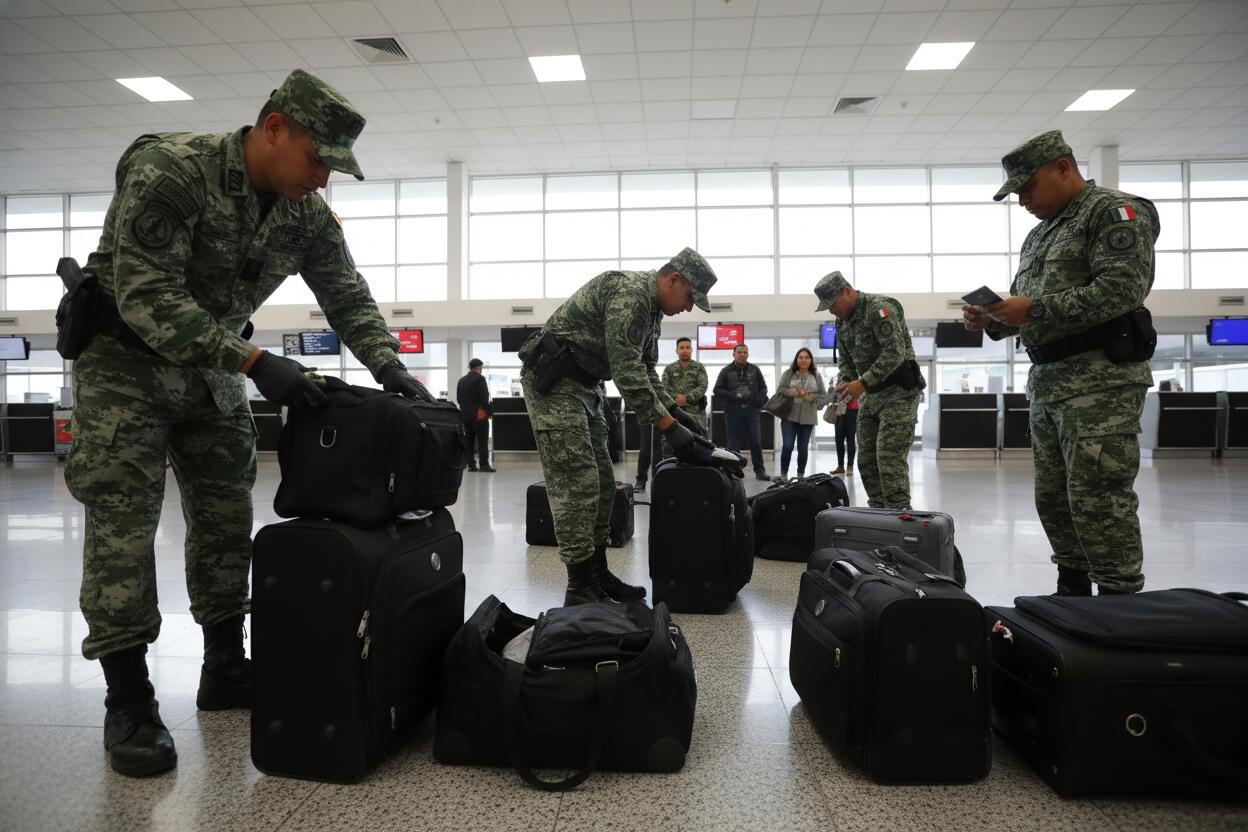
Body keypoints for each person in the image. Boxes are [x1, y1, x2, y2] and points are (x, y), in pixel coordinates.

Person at [64, 69, 430, 778]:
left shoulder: (305, 215)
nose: (322, 179)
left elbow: (347, 294)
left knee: (228, 519)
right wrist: (258, 361)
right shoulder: (173, 169)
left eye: (333, 167)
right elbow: (145, 295)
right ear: (272, 128)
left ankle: (226, 666)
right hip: (124, 368)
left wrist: (390, 369)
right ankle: (129, 698)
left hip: (215, 374)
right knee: (122, 528)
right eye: (316, 158)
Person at [964, 130, 1158, 597]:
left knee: (1099, 496)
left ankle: (1119, 600)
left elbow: (1122, 290)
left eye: (1028, 188)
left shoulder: (1114, 211)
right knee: (1053, 498)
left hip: (1100, 384)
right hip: (1049, 383)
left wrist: (1031, 310)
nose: (1023, 200)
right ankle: (1071, 590)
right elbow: (1025, 308)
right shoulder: (1039, 235)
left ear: (1064, 167)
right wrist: (992, 320)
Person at [519, 248, 719, 605]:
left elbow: (646, 372)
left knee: (604, 481)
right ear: (673, 279)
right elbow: (627, 375)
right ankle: (578, 585)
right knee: (578, 481)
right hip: (555, 384)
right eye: (690, 297)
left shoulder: (653, 310)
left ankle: (596, 572)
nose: (689, 307)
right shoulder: (630, 294)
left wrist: (674, 410)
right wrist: (670, 428)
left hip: (586, 386)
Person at [816, 272, 924, 509]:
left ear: (846, 290)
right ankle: (878, 514)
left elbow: (894, 352)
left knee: (888, 457)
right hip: (871, 397)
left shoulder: (879, 309)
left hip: (899, 393)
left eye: (832, 304)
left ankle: (899, 515)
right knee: (866, 460)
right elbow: (845, 358)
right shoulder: (842, 321)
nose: (831, 311)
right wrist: (846, 379)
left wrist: (862, 382)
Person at [635, 335, 710, 492]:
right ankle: (669, 479)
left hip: (693, 415)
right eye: (681, 347)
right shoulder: (669, 369)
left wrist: (687, 398)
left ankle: (697, 480)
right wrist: (675, 401)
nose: (685, 350)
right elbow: (663, 388)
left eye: (687, 347)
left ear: (691, 349)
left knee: (697, 445)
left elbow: (703, 386)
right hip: (672, 414)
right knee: (669, 448)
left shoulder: (699, 368)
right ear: (676, 350)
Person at [713, 343, 770, 481]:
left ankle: (760, 471)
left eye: (745, 352)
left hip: (752, 411)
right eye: (739, 352)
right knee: (733, 443)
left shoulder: (755, 370)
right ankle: (734, 471)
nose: (742, 354)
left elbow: (763, 388)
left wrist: (759, 401)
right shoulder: (726, 371)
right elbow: (717, 390)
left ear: (748, 354)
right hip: (732, 412)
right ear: (734, 354)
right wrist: (733, 395)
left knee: (755, 442)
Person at [775, 347, 827, 480]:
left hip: (808, 417)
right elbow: (780, 390)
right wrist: (793, 392)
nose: (804, 360)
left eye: (807, 357)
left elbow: (823, 397)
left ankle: (800, 475)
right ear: (796, 359)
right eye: (801, 357)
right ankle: (783, 474)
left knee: (803, 447)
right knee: (787, 445)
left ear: (811, 360)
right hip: (789, 416)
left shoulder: (816, 375)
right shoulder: (788, 373)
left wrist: (810, 398)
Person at [456, 357, 495, 472]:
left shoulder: (461, 380)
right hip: (479, 414)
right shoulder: (480, 379)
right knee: (483, 440)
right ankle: (484, 465)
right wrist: (488, 412)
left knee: (469, 440)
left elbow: (458, 399)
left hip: (465, 415)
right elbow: (484, 398)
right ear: (479, 367)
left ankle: (471, 465)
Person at [832, 394, 859, 476]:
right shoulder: (839, 383)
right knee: (838, 440)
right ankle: (840, 466)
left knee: (850, 439)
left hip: (852, 411)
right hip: (840, 411)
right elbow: (834, 394)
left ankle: (850, 466)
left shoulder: (855, 381)